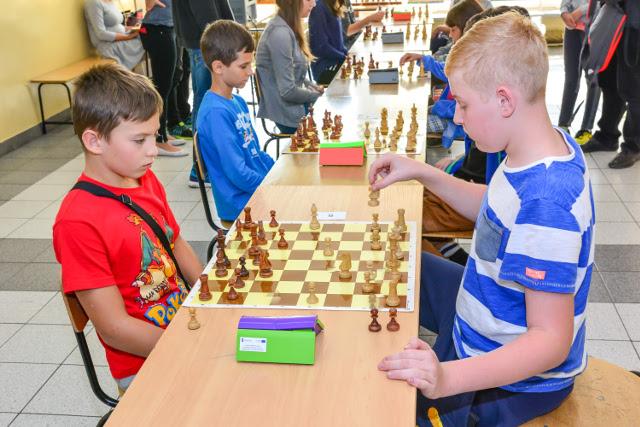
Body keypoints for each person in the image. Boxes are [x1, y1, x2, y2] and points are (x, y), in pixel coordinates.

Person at [372, 13, 594, 425]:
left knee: (403, 412)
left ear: (504, 100)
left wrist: (447, 377)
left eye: (463, 104)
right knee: (401, 262)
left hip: (513, 382)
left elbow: (551, 340)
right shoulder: (533, 148)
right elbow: (493, 208)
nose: (457, 118)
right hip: (488, 306)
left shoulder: (547, 201)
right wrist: (422, 171)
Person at [53, 64, 203, 393]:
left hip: (186, 325)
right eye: (139, 140)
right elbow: (115, 329)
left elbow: (175, 243)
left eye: (154, 134)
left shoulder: (144, 179)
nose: (153, 149)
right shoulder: (77, 222)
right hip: (144, 362)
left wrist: (209, 293)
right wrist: (190, 347)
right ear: (94, 141)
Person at [197, 20, 275, 222]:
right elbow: (237, 173)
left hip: (256, 191)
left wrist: (278, 171)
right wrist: (272, 185)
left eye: (250, 64)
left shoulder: (237, 102)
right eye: (243, 66)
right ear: (218, 67)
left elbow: (256, 152)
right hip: (241, 205)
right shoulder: (215, 113)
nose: (251, 71)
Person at [399, 0, 484, 142]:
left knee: (413, 124)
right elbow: (447, 70)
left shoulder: (475, 63)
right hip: (448, 110)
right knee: (416, 114)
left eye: (453, 30)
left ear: (466, 29)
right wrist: (423, 59)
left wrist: (438, 107)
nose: (450, 35)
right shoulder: (466, 54)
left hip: (456, 123)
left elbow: (466, 108)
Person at [172, 0, 235, 187]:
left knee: (208, 101)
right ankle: (200, 169)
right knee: (206, 104)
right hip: (207, 43)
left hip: (208, 41)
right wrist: (226, 39)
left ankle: (204, 167)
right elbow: (207, 16)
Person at [581, 0, 640, 169]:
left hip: (635, 26)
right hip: (613, 20)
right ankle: (607, 136)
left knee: (633, 90)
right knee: (609, 82)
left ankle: (634, 146)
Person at [256, 0, 324, 134]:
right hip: (289, 115)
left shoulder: (288, 26)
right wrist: (315, 96)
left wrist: (312, 86)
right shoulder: (280, 34)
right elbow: (287, 91)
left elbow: (292, 73)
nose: (314, 4)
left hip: (295, 106)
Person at [139, 0, 188, 157]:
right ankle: (158, 139)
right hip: (157, 29)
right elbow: (147, 5)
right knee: (162, 87)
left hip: (168, 28)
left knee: (169, 83)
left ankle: (163, 132)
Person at [558, 0, 601, 144]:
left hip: (594, 29)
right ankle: (563, 124)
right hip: (571, 30)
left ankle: (586, 128)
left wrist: (580, 11)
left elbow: (604, 4)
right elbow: (565, 3)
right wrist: (564, 13)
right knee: (571, 78)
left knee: (593, 79)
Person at [84, 0, 145, 70]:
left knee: (145, 34)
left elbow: (118, 26)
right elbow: (101, 34)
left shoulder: (110, 2)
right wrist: (129, 37)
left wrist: (134, 29)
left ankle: (139, 74)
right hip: (108, 45)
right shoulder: (94, 3)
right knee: (145, 39)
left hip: (123, 37)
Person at [308, 0, 348, 84]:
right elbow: (321, 46)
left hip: (336, 60)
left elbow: (339, 43)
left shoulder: (333, 4)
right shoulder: (318, 7)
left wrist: (346, 53)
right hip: (325, 67)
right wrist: (343, 57)